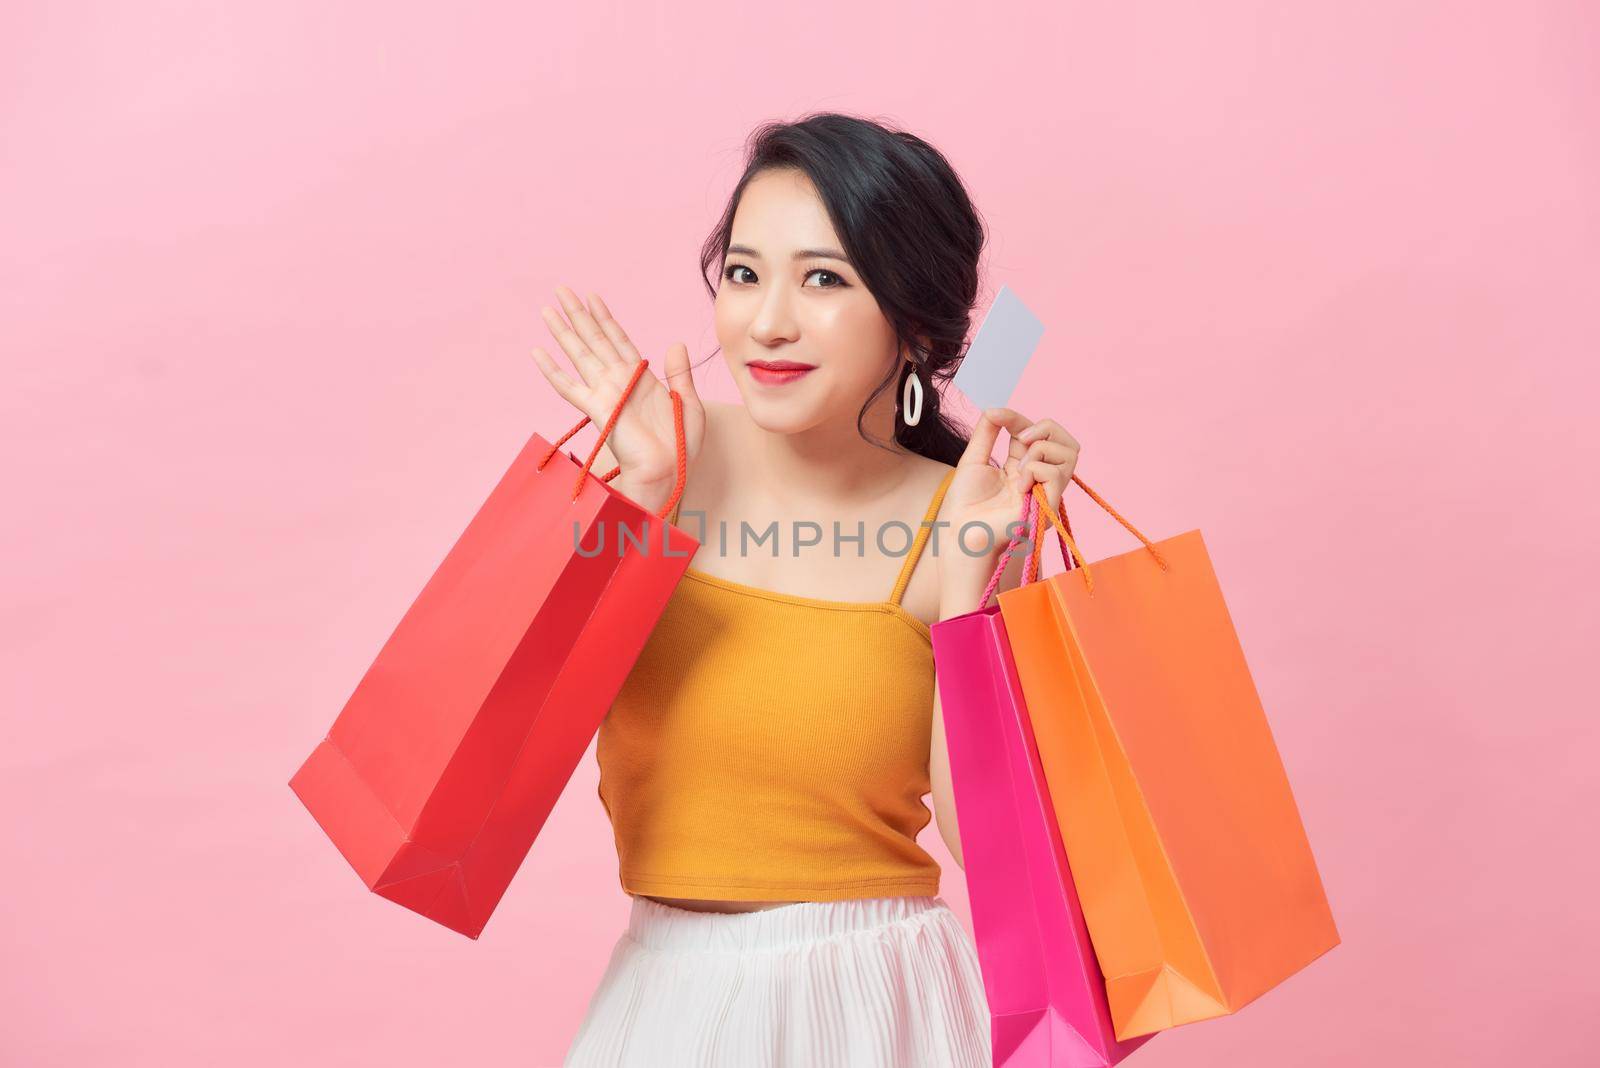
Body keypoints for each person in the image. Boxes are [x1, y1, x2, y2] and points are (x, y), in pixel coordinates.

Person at [532, 113, 1081, 1068]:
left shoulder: (967, 516)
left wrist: (968, 591)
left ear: (913, 320)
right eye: (745, 274)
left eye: (823, 278)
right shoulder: (661, 450)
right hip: (660, 992)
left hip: (874, 1004)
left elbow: (990, 855)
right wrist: (639, 507)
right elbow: (516, 737)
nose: (768, 321)